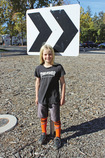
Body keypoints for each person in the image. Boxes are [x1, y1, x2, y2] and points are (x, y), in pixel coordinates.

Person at [34, 44, 66, 150]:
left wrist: (62, 97)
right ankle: (44, 133)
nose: (48, 57)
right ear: (42, 55)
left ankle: (58, 137)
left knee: (56, 118)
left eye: (50, 54)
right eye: (45, 54)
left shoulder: (58, 67)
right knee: (43, 116)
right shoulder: (39, 68)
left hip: (54, 98)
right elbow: (37, 83)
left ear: (53, 55)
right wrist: (36, 97)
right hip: (42, 98)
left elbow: (63, 83)